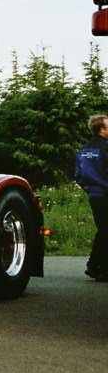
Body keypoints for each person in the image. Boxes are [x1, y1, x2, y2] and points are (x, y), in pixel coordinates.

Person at [76, 114, 108, 280]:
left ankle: (94, 265)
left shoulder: (83, 150)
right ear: (102, 129)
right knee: (105, 230)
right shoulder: (105, 149)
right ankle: (101, 268)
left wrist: (89, 189)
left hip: (95, 195)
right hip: (105, 194)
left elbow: (78, 175)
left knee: (103, 229)